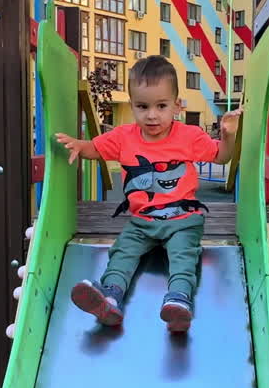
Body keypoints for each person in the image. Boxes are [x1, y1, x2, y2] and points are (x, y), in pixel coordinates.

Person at [55, 56, 241, 332]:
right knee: (122, 252)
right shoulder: (124, 136)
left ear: (177, 106)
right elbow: (96, 147)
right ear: (132, 105)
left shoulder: (188, 136)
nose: (151, 115)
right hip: (141, 221)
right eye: (142, 106)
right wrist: (79, 146)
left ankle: (178, 301)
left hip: (183, 220)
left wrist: (228, 136)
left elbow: (222, 157)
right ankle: (109, 297)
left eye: (161, 106)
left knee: (183, 255)